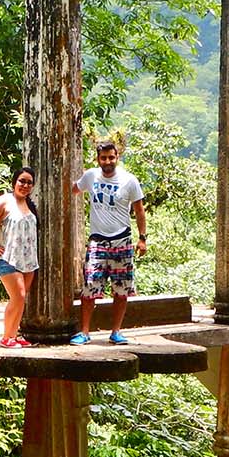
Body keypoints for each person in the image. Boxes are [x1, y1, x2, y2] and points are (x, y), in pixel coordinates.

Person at [72, 139, 146, 345]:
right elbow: (73, 190)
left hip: (122, 240)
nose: (108, 161)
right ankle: (84, 332)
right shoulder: (90, 176)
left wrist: (142, 238)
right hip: (97, 240)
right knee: (90, 286)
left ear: (117, 157)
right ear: (98, 159)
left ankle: (116, 331)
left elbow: (139, 211)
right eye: (103, 158)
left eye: (111, 157)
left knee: (121, 290)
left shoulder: (129, 180)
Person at [0, 167, 39, 348]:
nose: (25, 185)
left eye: (29, 182)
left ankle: (15, 334)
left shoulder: (29, 204)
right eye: (22, 181)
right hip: (7, 259)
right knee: (18, 296)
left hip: (28, 260)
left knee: (21, 299)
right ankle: (6, 337)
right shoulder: (5, 201)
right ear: (14, 182)